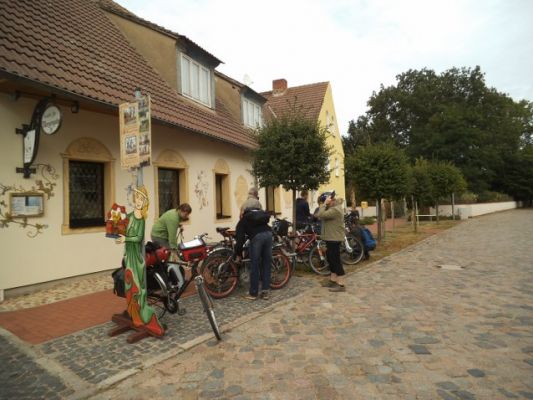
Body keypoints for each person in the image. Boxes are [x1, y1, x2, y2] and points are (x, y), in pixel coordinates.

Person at [116, 186, 165, 336]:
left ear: (145, 202)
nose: (138, 201)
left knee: (138, 287)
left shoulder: (140, 219)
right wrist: (117, 227)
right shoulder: (130, 216)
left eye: (141, 199)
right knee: (129, 286)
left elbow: (138, 238)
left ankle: (143, 315)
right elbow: (122, 229)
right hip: (128, 255)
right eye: (137, 198)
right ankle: (134, 314)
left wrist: (126, 238)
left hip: (136, 257)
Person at [234, 208, 272, 300]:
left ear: (242, 214)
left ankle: (253, 293)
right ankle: (265, 292)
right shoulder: (259, 217)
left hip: (257, 238)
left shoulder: (242, 221)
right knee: (266, 264)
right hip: (269, 234)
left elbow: (240, 240)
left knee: (254, 265)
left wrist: (238, 254)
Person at [316, 192, 346, 292]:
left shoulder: (335, 209)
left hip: (334, 238)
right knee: (331, 259)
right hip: (330, 238)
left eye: (326, 202)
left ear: (330, 201)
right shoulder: (333, 208)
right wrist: (325, 204)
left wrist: (324, 204)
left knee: (335, 260)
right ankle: (333, 280)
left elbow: (320, 214)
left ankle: (341, 284)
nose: (325, 204)